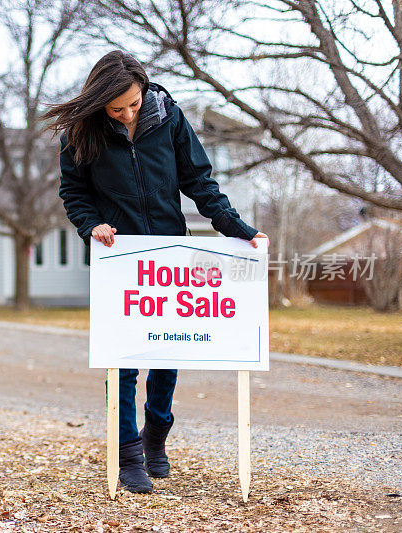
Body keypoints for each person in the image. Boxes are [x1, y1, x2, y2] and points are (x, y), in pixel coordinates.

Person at [40, 50, 269, 493]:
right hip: (119, 259)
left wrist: (240, 231)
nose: (127, 113)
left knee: (168, 352)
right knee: (123, 360)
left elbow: (200, 183)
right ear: (99, 103)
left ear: (144, 89)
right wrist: (92, 226)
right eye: (116, 108)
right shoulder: (79, 134)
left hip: (169, 255)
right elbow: (74, 194)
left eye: (133, 104)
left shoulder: (170, 117)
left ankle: (156, 438)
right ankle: (127, 454)